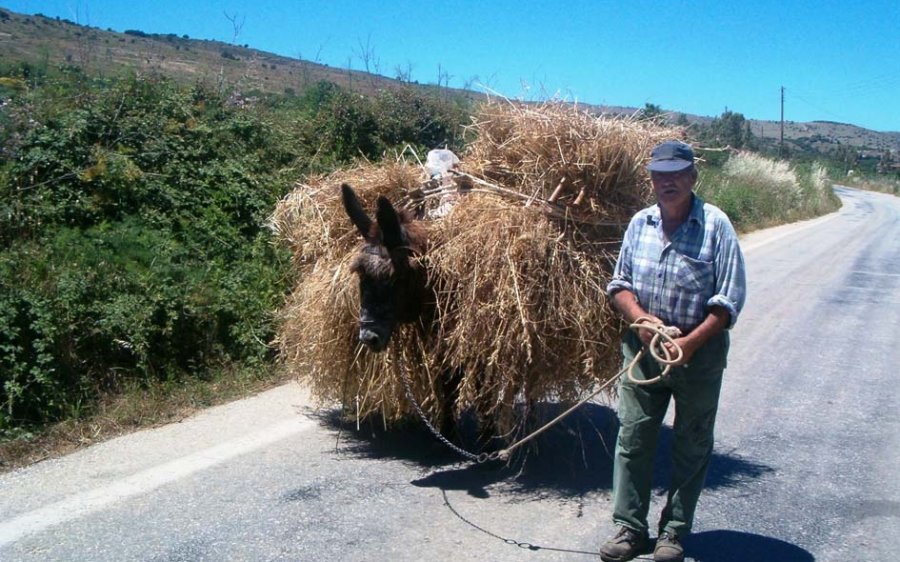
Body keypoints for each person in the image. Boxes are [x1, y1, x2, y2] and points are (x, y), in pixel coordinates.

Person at [599, 140, 747, 562]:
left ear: (693, 176)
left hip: (699, 354)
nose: (668, 181)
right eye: (660, 174)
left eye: (676, 173)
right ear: (650, 179)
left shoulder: (716, 225)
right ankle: (629, 529)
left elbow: (728, 300)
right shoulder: (639, 224)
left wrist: (689, 343)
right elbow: (619, 285)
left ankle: (674, 533)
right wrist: (643, 323)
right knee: (633, 438)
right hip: (644, 350)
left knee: (692, 442)